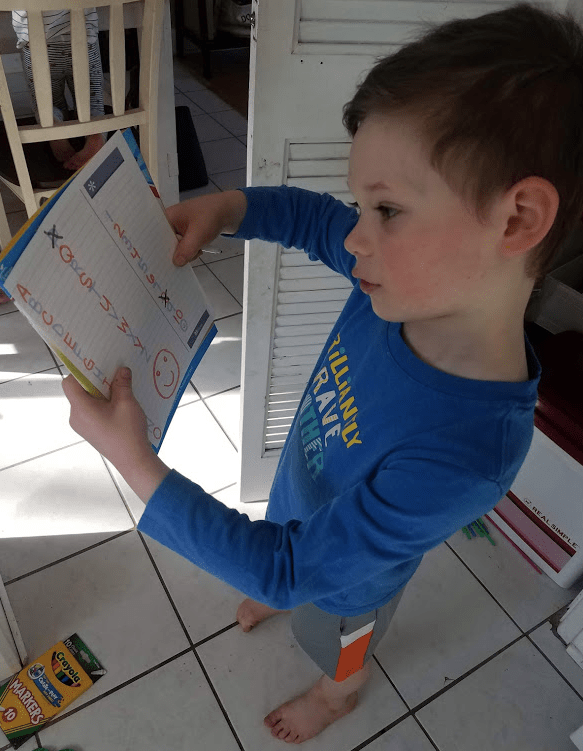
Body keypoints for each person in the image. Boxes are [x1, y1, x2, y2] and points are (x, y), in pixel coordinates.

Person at [62, 2, 583, 744]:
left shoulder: (467, 451)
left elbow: (283, 568)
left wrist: (135, 462)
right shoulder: (397, 285)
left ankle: (340, 695)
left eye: (387, 210)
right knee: (282, 557)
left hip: (352, 582)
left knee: (341, 633)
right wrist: (229, 207)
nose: (357, 237)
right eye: (362, 205)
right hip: (298, 502)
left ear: (518, 218)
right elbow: (312, 220)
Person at [12, 9, 106, 171]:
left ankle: (54, 127)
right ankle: (95, 135)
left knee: (47, 103)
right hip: (82, 41)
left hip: (38, 46)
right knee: (92, 100)